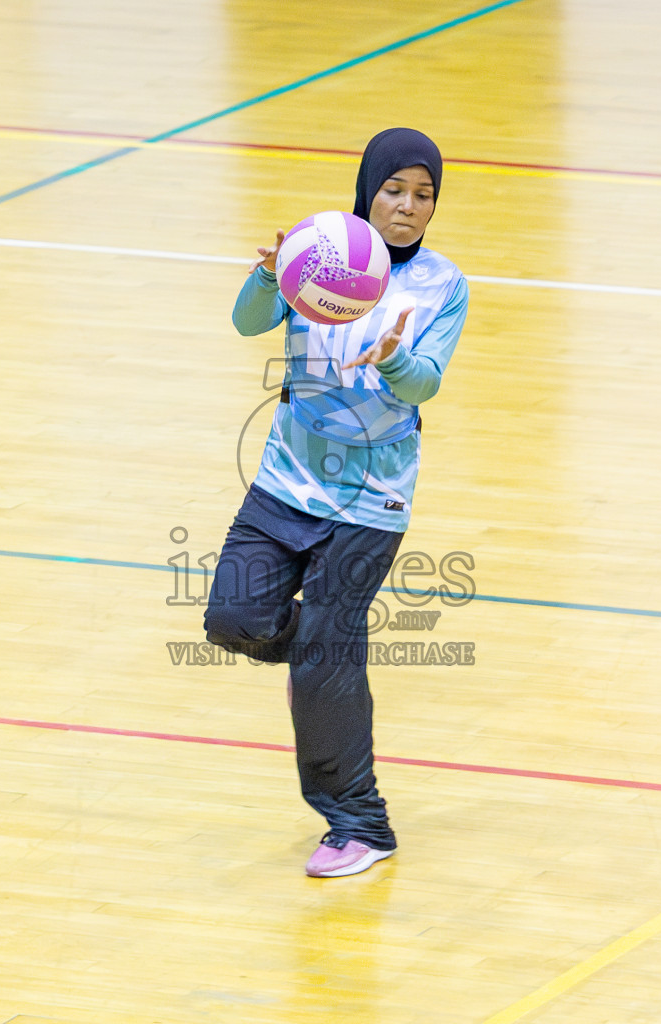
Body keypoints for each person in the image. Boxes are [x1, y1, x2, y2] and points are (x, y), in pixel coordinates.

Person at [203, 128, 468, 877]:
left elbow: (426, 386)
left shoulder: (443, 285)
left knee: (325, 650)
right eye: (395, 189)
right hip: (285, 481)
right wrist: (267, 278)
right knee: (232, 618)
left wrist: (397, 360)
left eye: (424, 196)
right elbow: (247, 323)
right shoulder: (322, 251)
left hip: (369, 503)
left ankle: (361, 823)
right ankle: (321, 657)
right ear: (368, 187)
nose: (408, 207)